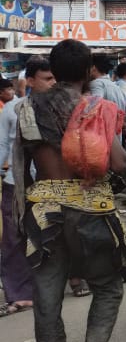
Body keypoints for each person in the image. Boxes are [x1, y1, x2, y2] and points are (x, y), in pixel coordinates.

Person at [17, 39, 126, 342]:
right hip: (90, 210)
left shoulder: (25, 107)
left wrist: (20, 219)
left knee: (47, 302)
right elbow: (117, 164)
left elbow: (20, 170)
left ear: (52, 67)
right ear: (89, 71)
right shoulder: (98, 106)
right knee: (108, 286)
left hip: (44, 212)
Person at [0, 58, 54, 316]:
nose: (53, 83)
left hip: (51, 184)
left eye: (54, 78)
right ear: (30, 81)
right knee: (14, 238)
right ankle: (19, 294)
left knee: (50, 234)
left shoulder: (58, 109)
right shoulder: (12, 109)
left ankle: (53, 285)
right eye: (47, 78)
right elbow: (2, 145)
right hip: (16, 184)